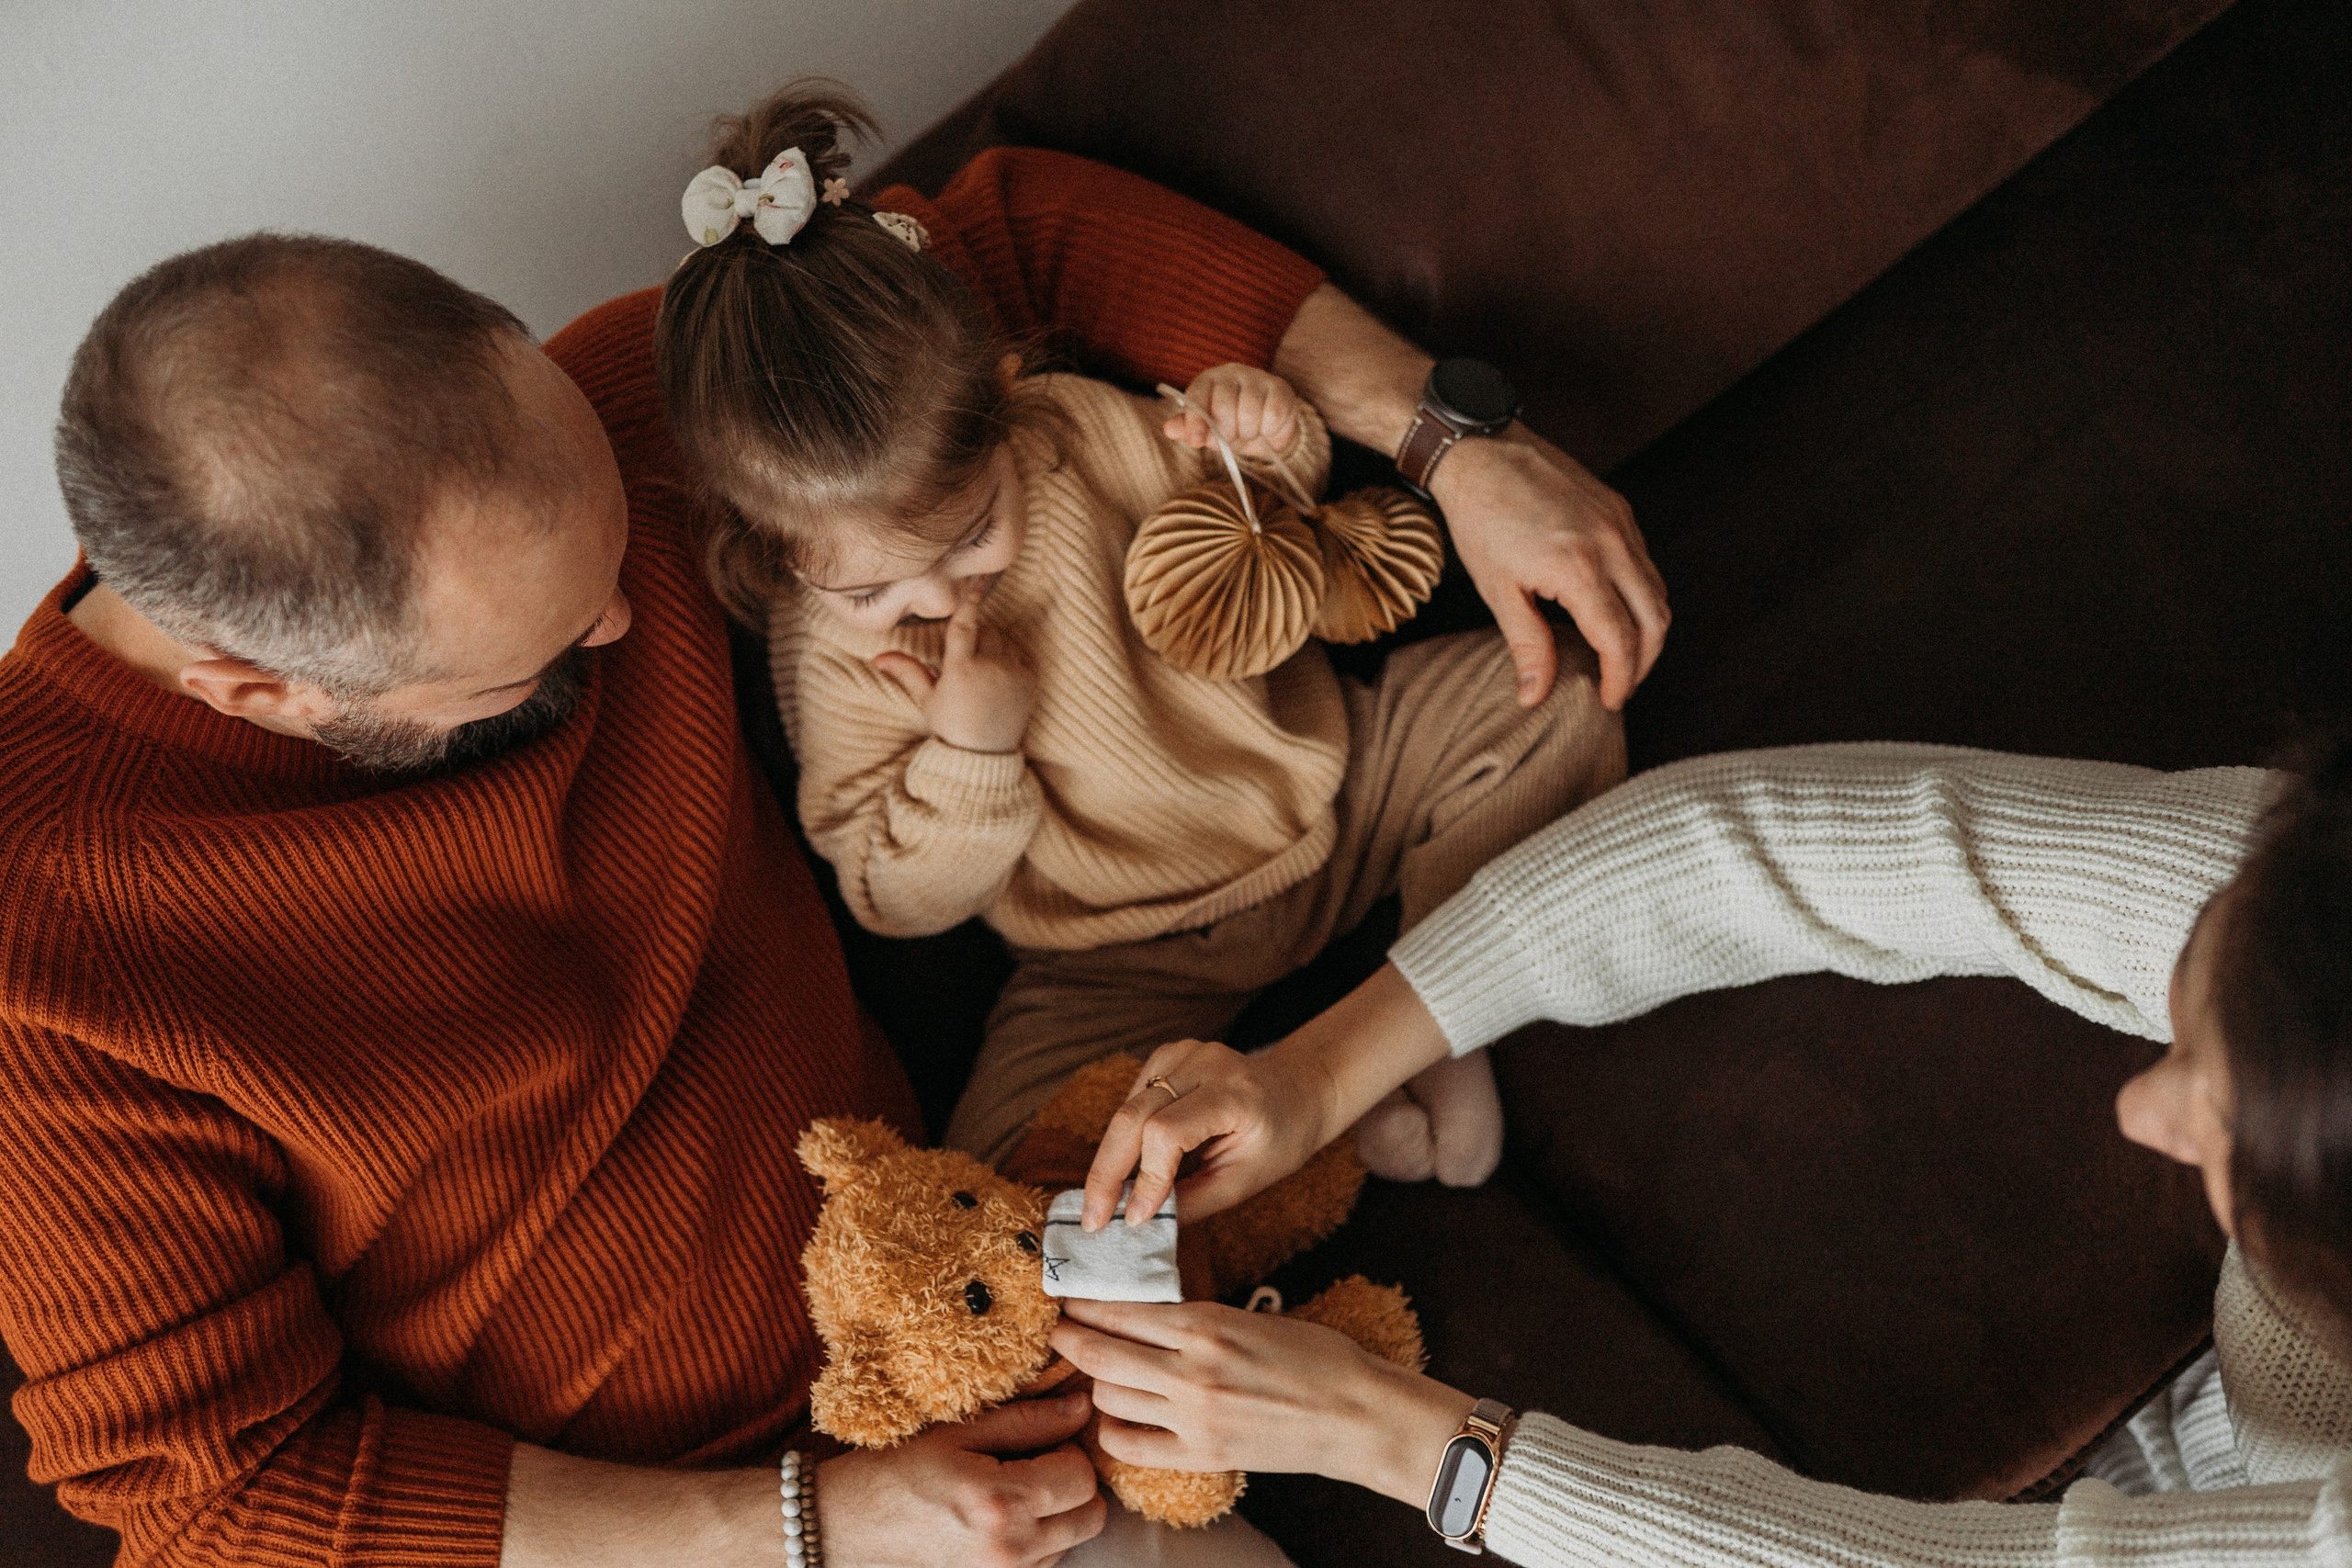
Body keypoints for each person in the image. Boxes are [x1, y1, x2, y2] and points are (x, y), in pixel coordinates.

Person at [0, 126, 1664, 1568]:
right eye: (549, 658)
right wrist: (814, 1527)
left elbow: (1012, 236)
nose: (633, 625)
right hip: (684, 1519)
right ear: (257, 690)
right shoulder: (49, 952)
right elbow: (227, 1505)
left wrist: (1452, 441)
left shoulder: (608, 417)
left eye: (613, 559)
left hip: (968, 1301)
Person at [651, 86, 1625, 1192]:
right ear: (775, 554)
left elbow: (1264, 545)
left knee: (1557, 694)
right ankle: (1312, 1120)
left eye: (972, 534)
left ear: (1010, 403)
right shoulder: (827, 652)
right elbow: (890, 896)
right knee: (998, 1188)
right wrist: (971, 754)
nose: (931, 599)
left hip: (1329, 790)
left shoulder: (1078, 432)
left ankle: (1435, 1008)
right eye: (876, 587)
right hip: (1110, 958)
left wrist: (1259, 443)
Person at [1055, 739, 2352, 1564]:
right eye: (2180, 1007)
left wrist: (1399, 1435)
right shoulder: (2308, 891)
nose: (2141, 1110)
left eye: (2211, 1106)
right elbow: (1765, 846)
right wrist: (1320, 1066)